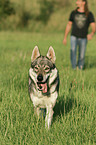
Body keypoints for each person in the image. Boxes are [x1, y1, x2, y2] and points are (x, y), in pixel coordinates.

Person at [63, 0, 96, 69]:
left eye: (78, 1)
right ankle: (74, 67)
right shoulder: (73, 13)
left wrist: (92, 34)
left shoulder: (89, 14)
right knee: (73, 51)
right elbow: (69, 25)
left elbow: (93, 25)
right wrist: (65, 37)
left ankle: (80, 68)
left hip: (84, 37)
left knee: (82, 54)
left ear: (83, 2)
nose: (76, 2)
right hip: (73, 36)